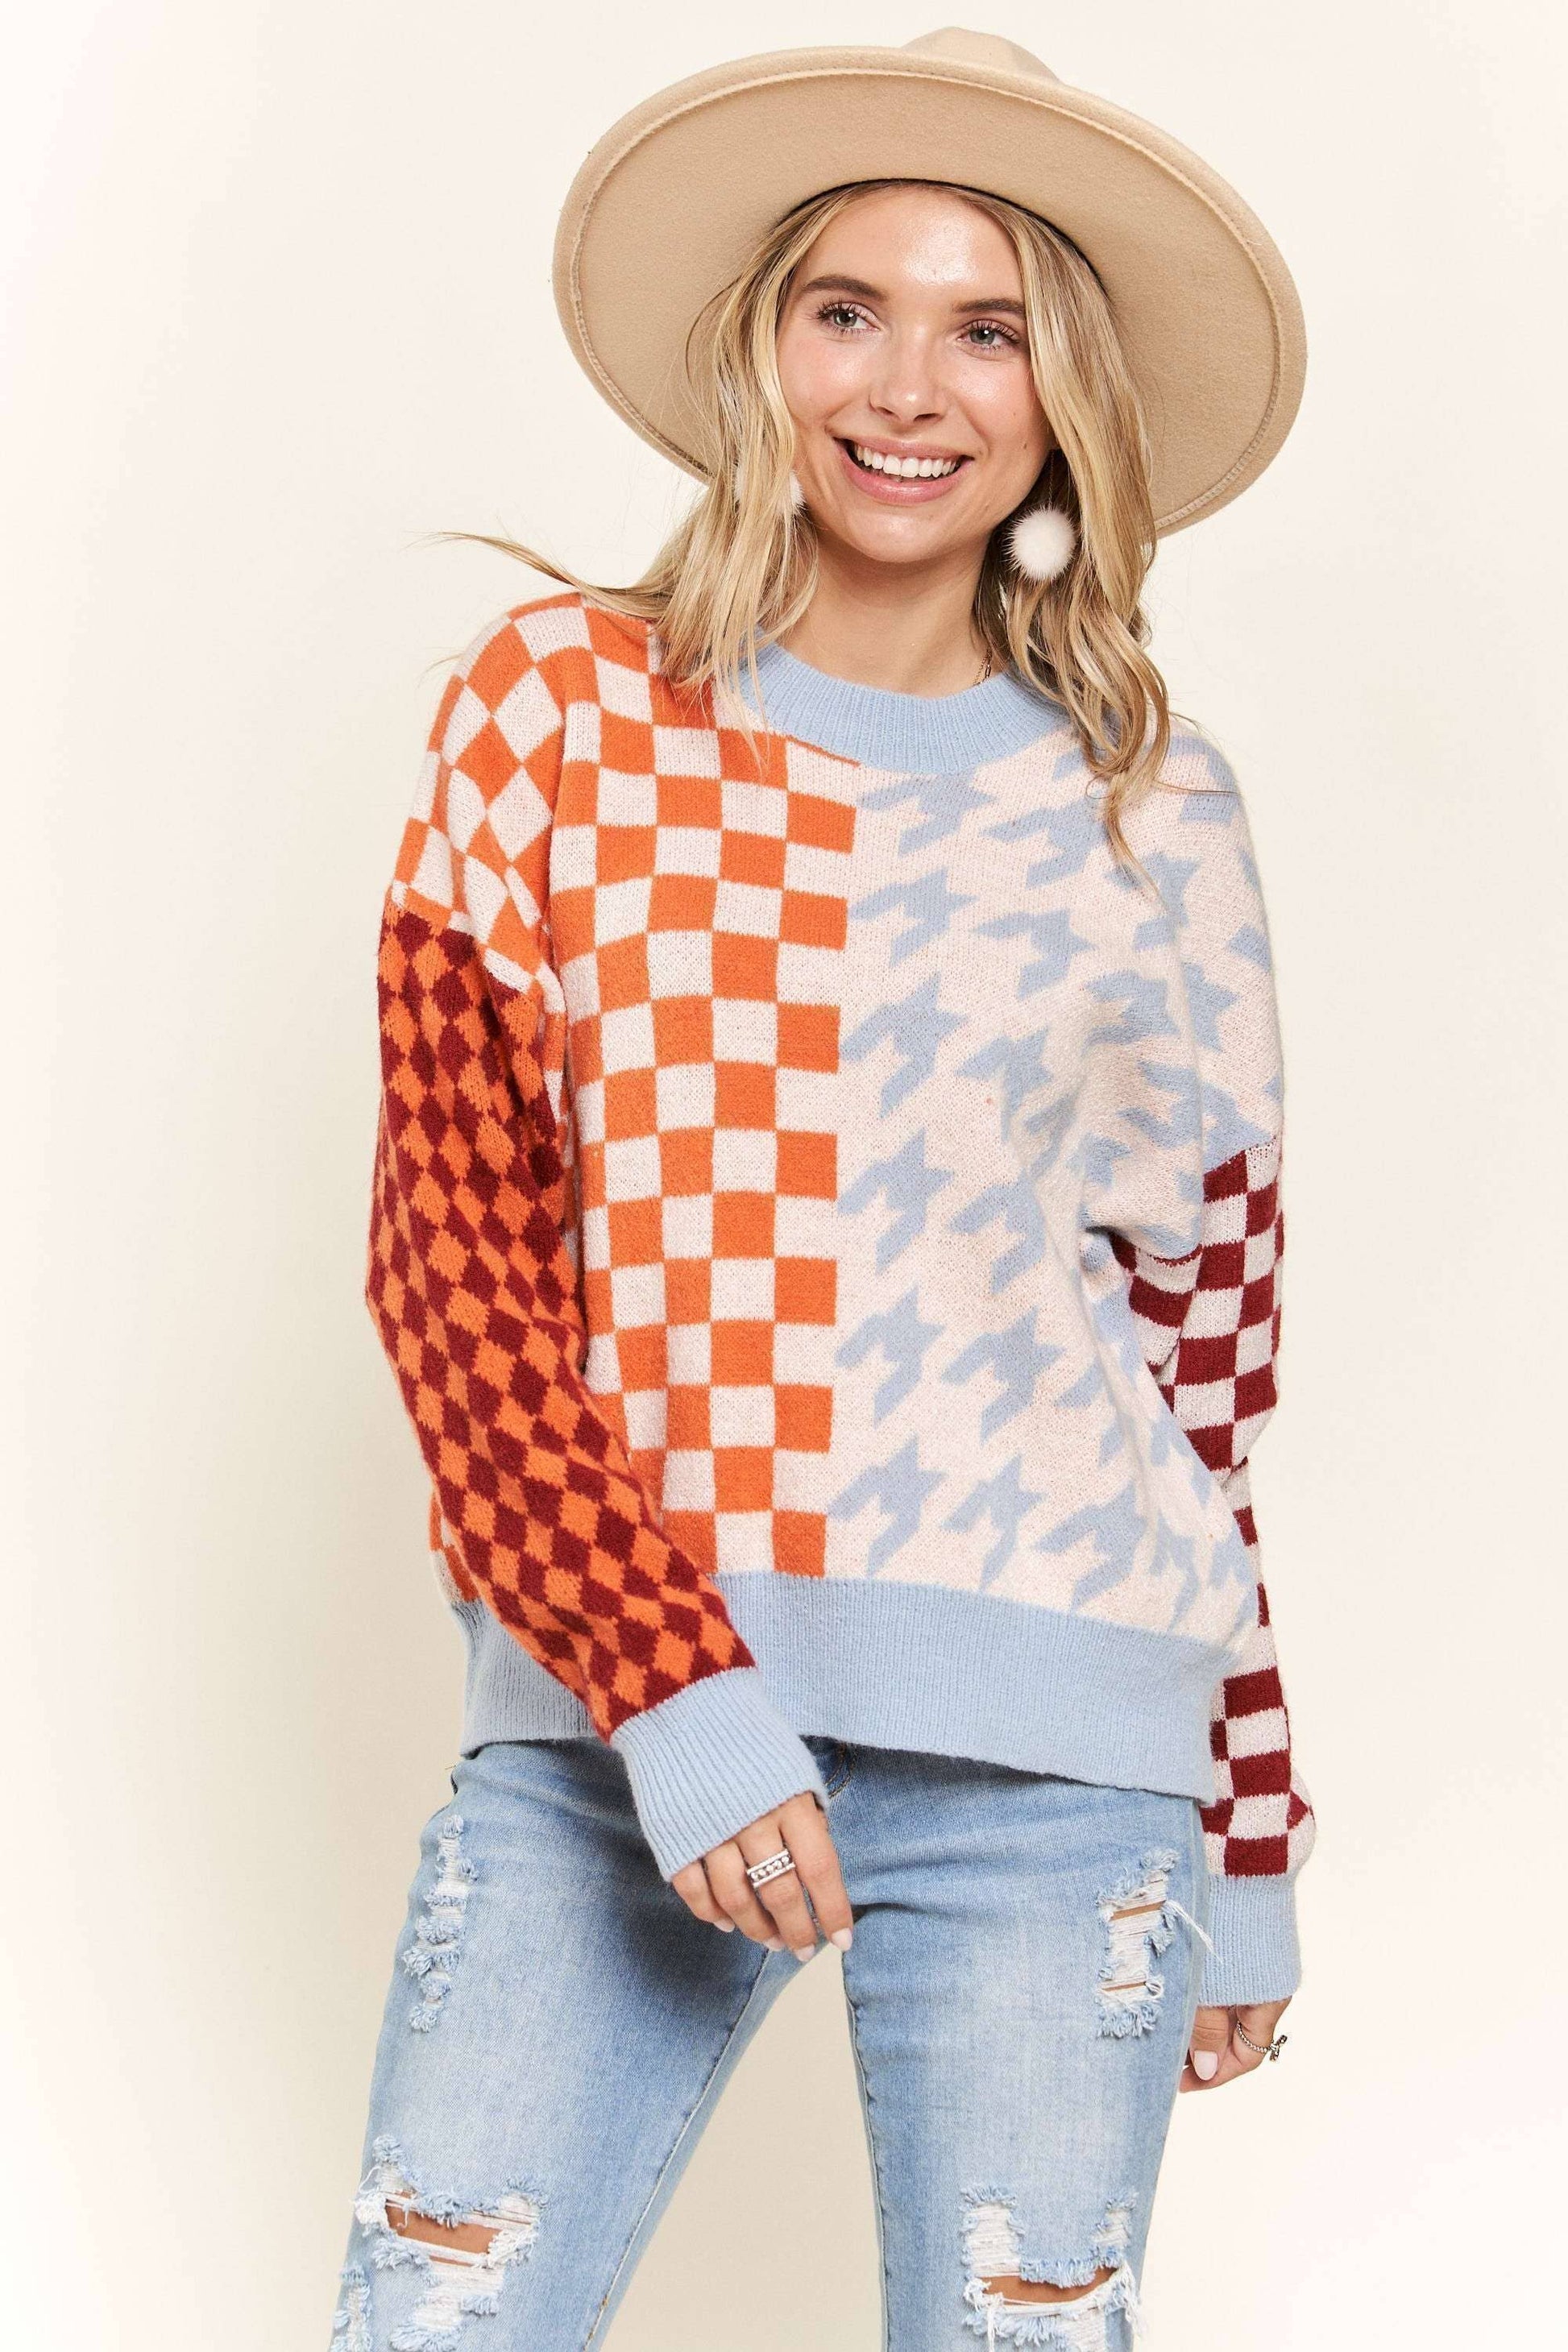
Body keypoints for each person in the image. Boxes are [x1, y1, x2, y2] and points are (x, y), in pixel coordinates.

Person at [331, 30, 1317, 2351]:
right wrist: (667, 1686)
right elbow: (456, 1275)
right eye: (846, 308)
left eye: (990, 329)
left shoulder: (1155, 809)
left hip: (1066, 1773)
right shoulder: (555, 714)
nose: (907, 386)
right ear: (758, 345)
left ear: (1065, 399)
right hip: (617, 1729)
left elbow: (1204, 1392)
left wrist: (1251, 1839)